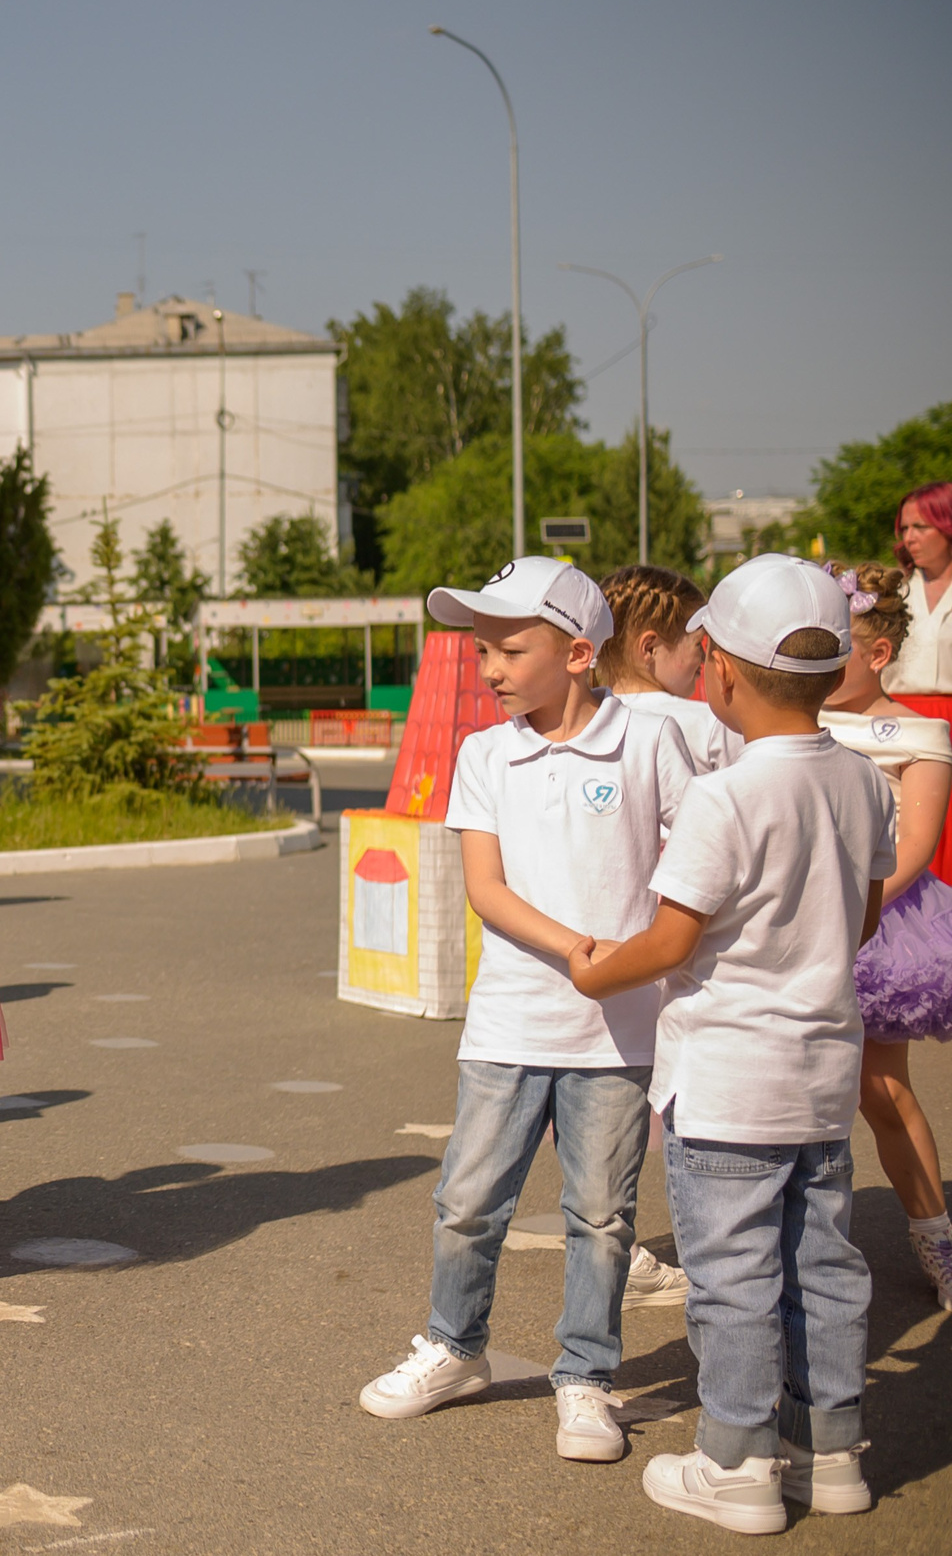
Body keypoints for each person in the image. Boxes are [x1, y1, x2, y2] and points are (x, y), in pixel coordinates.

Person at [570, 554, 893, 1530]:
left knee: (734, 1279)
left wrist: (595, 970)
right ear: (837, 670)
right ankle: (828, 1452)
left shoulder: (725, 797)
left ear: (718, 668)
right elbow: (865, 916)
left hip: (726, 1086)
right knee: (821, 1267)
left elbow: (671, 939)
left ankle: (736, 1465)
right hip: (820, 1078)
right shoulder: (863, 783)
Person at [356, 556, 694, 1469]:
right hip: (508, 1023)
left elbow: (692, 867)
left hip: (616, 1033)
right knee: (468, 1201)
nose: (490, 667)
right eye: (483, 649)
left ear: (579, 651)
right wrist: (580, 950)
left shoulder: (651, 742)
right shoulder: (485, 751)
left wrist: (632, 961)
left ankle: (586, 1375)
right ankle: (454, 1347)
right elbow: (485, 888)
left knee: (602, 1215)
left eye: (509, 647)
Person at [816, 561, 952, 1309]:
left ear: (877, 653)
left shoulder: (921, 731)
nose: (826, 663)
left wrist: (848, 910)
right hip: (793, 914)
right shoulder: (793, 720)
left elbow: (916, 844)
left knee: (879, 1087)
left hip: (880, 919)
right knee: (793, 1090)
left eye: (842, 647)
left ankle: (936, 1236)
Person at [597, 565, 745, 773]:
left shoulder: (588, 722)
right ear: (649, 648)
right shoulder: (711, 726)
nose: (704, 657)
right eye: (697, 643)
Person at [882, 482, 952, 880]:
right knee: (911, 831)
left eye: (921, 526)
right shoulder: (897, 595)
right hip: (904, 723)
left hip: (950, 716)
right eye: (904, 528)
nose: (910, 538)